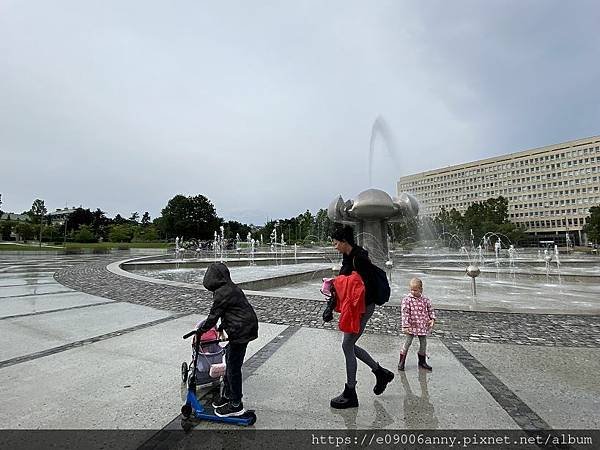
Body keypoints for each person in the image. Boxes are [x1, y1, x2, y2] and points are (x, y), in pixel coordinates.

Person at [325, 225, 395, 409]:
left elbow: (366, 288)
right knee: (349, 345)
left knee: (347, 345)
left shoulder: (360, 259)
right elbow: (343, 282)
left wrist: (354, 307)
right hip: (356, 307)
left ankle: (351, 392)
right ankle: (381, 373)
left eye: (335, 243)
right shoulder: (348, 256)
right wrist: (331, 304)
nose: (335, 246)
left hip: (363, 307)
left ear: (344, 242)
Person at [197, 262, 259, 417]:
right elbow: (231, 311)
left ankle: (236, 405)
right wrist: (221, 327)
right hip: (245, 327)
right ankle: (227, 396)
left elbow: (214, 314)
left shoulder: (222, 292)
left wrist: (202, 329)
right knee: (230, 359)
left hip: (241, 331)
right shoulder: (231, 288)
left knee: (233, 368)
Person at [398, 277, 435, 371]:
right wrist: (405, 325)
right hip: (411, 325)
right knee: (408, 342)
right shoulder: (407, 300)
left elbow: (430, 309)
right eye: (411, 289)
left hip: (422, 325)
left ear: (421, 289)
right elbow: (405, 313)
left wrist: (432, 319)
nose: (413, 292)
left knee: (423, 343)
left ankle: (422, 361)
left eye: (416, 290)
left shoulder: (425, 299)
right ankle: (401, 361)